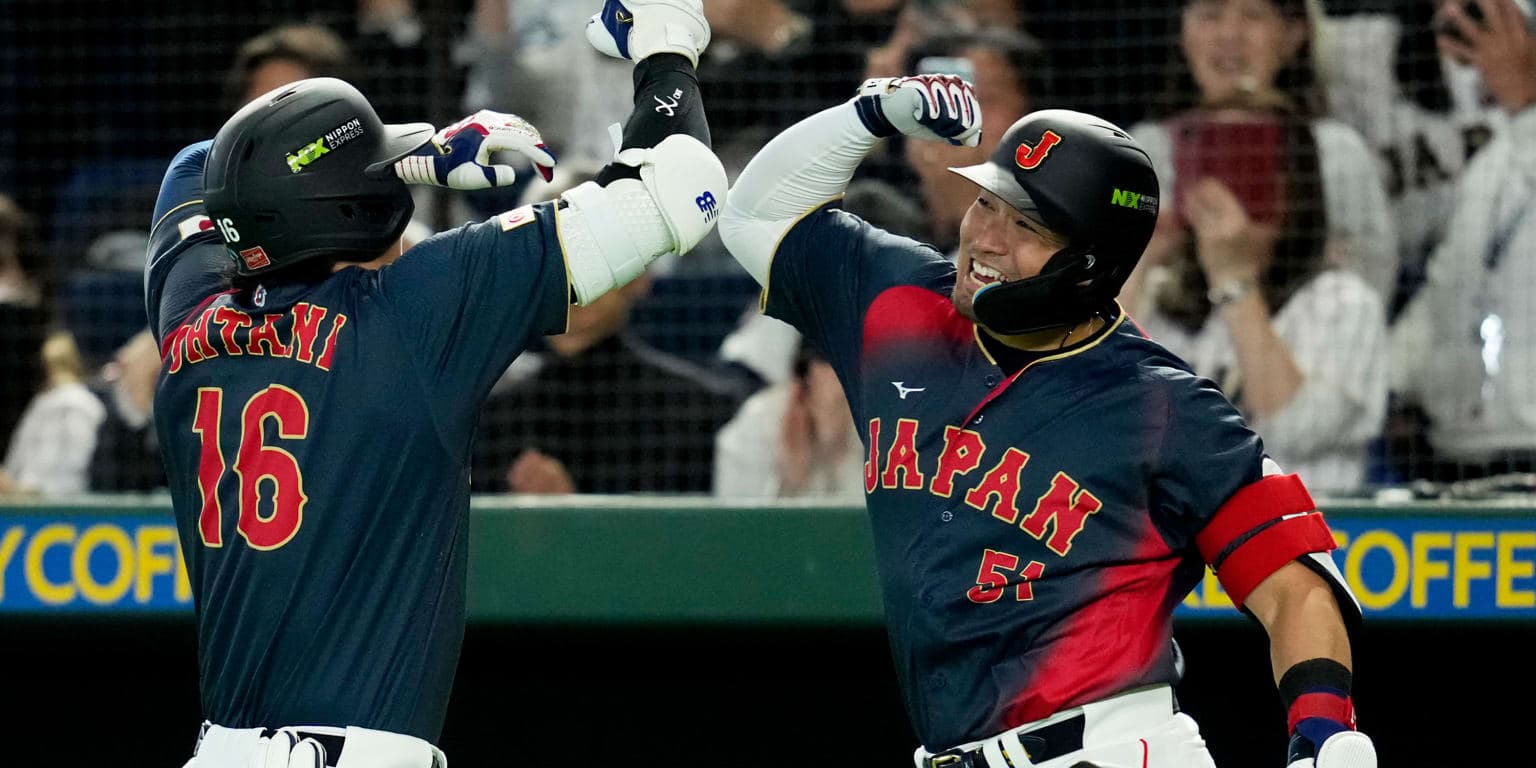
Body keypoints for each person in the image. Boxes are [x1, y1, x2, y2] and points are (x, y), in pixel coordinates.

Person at [717, 74, 1376, 767]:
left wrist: (1325, 730)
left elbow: (1294, 581)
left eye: (1026, 226)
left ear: (1088, 267)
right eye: (986, 204)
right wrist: (868, 114)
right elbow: (753, 218)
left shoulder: (1163, 407)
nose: (986, 239)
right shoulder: (899, 305)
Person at [146, 2, 722, 765]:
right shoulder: (412, 312)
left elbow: (201, 165)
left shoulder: (187, 319)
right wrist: (667, 45)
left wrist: (391, 154)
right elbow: (685, 187)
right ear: (361, 207)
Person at [1122, 0, 1398, 311]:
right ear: (1183, 33)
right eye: (1210, 15)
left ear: (1293, 35)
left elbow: (1373, 280)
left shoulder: (1337, 151)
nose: (1230, 34)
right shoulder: (1140, 151)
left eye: (1253, 15)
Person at [1388, 0, 1536, 482]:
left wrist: (1528, 105)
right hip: (1463, 457)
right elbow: (1449, 284)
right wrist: (1389, 381)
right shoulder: (1493, 160)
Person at [471, 269, 741, 495]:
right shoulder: (485, 421)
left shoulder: (699, 411)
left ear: (640, 276)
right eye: (556, 260)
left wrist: (570, 516)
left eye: (592, 257)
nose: (575, 279)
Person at [714, 339, 864, 499]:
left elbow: (873, 516)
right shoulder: (757, 421)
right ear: (806, 375)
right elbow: (735, 516)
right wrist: (790, 479)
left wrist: (836, 453)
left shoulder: (876, 420)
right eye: (827, 365)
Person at [0, 331, 105, 496]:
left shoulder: (83, 404)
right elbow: (17, 457)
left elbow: (77, 465)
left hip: (60, 505)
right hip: (19, 502)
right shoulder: (41, 403)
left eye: (59, 363)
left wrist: (28, 488)